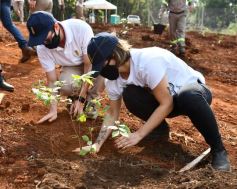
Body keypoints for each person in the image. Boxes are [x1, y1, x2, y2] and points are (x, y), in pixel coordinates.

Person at [80, 32, 231, 171]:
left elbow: (167, 103)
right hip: (166, 100)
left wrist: (138, 134)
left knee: (188, 96)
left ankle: (219, 150)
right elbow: (112, 113)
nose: (103, 72)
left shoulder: (148, 62)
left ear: (114, 56)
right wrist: (97, 144)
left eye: (103, 65)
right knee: (130, 94)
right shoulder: (114, 80)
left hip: (194, 93)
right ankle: (159, 130)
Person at [26, 11, 103, 123]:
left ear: (56, 27)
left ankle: (90, 101)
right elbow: (52, 81)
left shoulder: (80, 28)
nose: (44, 43)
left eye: (46, 39)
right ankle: (73, 98)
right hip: (72, 66)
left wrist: (81, 99)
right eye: (40, 40)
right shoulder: (42, 48)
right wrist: (53, 110)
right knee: (65, 85)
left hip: (91, 62)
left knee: (102, 72)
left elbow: (88, 64)